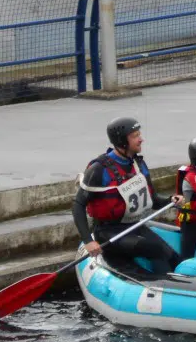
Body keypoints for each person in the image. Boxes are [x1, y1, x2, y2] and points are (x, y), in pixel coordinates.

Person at [72, 117, 184, 274]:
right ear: (122, 141)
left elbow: (153, 200)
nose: (141, 139)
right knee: (155, 249)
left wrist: (170, 200)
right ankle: (164, 284)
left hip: (134, 226)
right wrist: (88, 241)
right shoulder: (99, 169)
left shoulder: (139, 164)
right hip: (108, 232)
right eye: (135, 136)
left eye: (139, 134)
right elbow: (78, 205)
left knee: (173, 257)